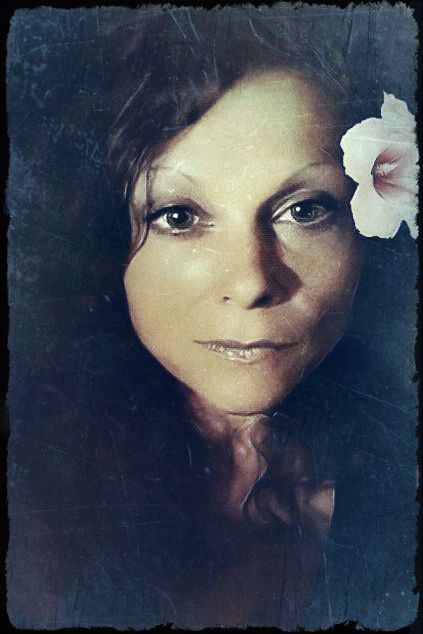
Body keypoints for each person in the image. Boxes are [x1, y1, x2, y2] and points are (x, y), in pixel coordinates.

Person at [7, 5, 417, 630]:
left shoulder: (398, 483)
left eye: (304, 210)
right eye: (179, 217)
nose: (252, 282)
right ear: (105, 244)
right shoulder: (34, 503)